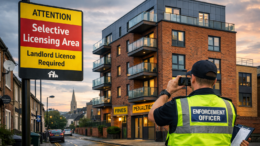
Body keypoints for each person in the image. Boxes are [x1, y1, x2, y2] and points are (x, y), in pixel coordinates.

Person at [148, 60, 250, 146]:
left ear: (193, 79)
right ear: (215, 82)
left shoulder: (178, 105)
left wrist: (167, 92)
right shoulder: (229, 106)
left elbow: (152, 115)